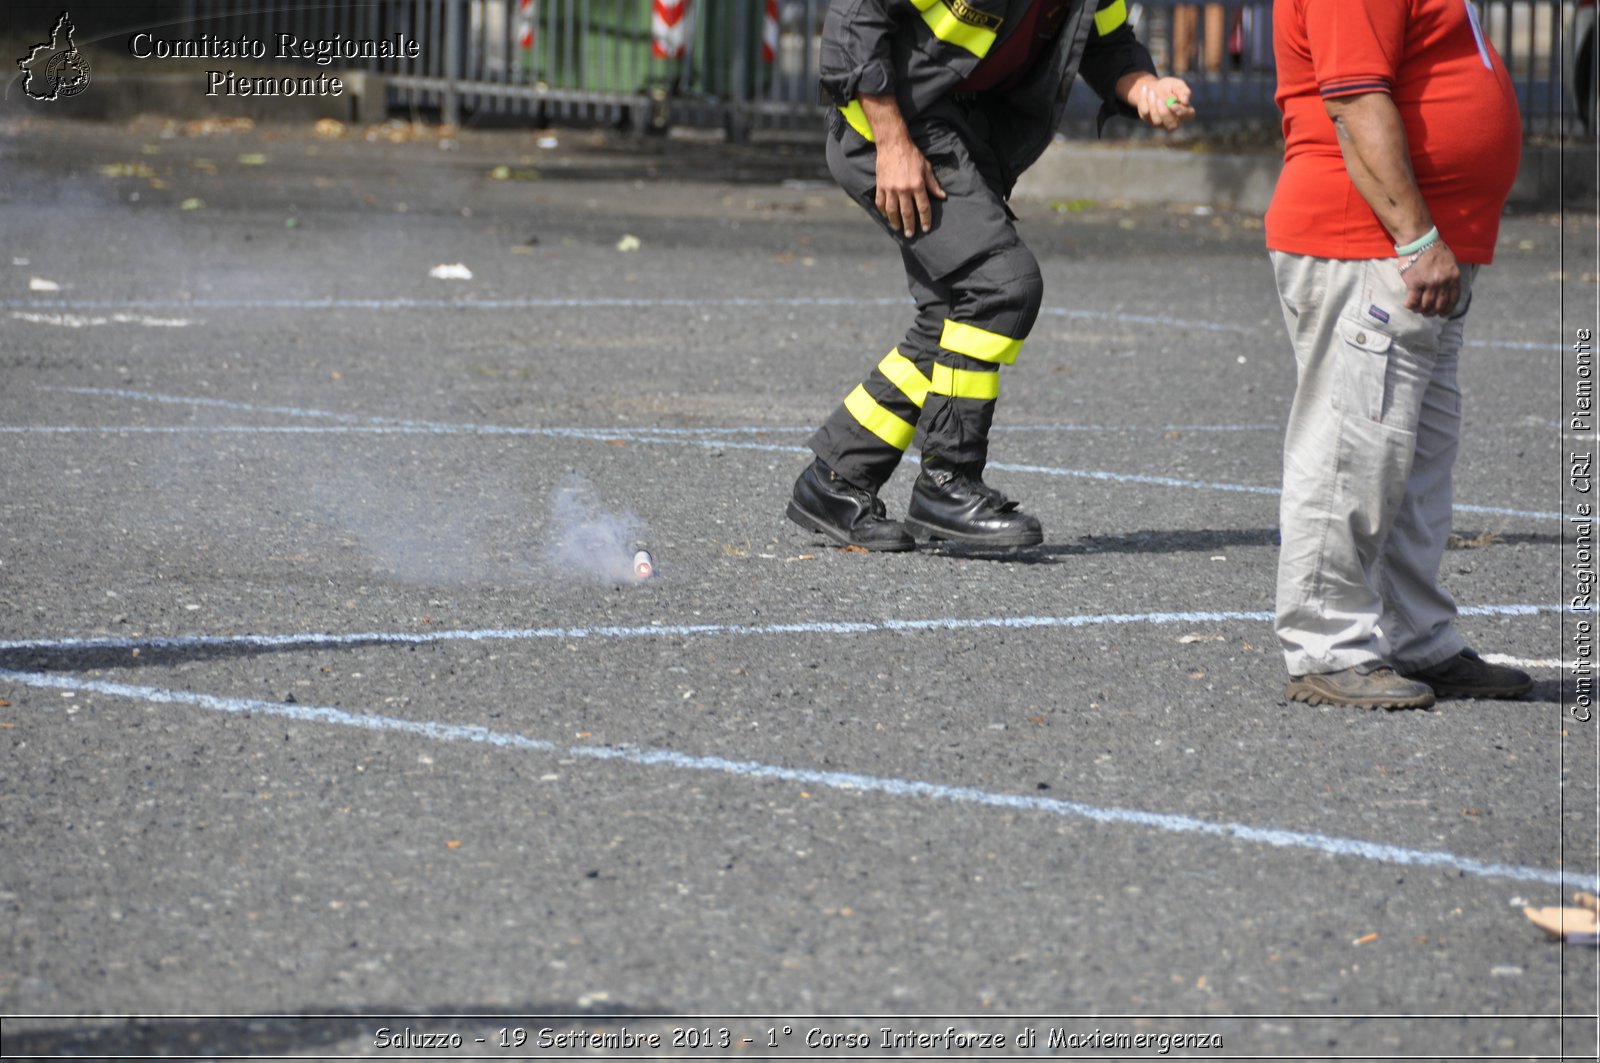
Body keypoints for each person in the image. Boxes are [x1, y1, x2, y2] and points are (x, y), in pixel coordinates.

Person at [788, 0, 1195, 551]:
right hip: (890, 131)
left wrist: (1142, 84)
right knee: (1002, 283)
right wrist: (891, 143)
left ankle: (834, 480)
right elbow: (853, 20)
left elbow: (1106, 41)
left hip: (952, 130)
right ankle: (947, 486)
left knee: (951, 319)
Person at [1265, 0, 1533, 708]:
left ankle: (1414, 636)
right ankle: (1329, 645)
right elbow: (1353, 98)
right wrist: (1416, 238)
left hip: (1412, 251)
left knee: (1412, 460)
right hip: (1371, 243)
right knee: (1353, 449)